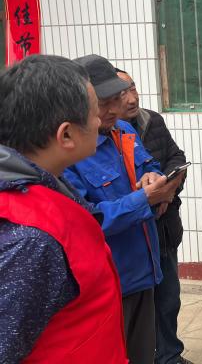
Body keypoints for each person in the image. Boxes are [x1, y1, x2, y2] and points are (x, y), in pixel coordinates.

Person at [0, 55, 127, 362]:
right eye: (94, 111)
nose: (99, 121)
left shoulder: (47, 188)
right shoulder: (31, 239)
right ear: (66, 134)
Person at [64, 55, 181, 364]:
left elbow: (150, 165)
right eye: (104, 103)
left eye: (117, 98)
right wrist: (144, 200)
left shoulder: (125, 130)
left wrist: (153, 176)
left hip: (146, 269)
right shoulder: (70, 151)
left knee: (144, 351)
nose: (115, 109)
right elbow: (86, 220)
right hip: (109, 281)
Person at [117, 68, 192, 364]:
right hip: (131, 237)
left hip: (163, 230)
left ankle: (170, 356)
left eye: (133, 88)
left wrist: (168, 190)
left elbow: (175, 158)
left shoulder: (152, 121)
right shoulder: (102, 137)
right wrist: (146, 199)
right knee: (137, 310)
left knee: (168, 300)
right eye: (121, 93)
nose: (131, 98)